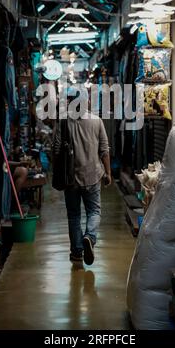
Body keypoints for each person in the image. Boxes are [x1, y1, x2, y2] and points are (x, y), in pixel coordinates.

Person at [53, 89, 111, 266]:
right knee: (94, 211)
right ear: (86, 102)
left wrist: (58, 174)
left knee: (74, 216)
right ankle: (90, 236)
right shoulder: (96, 121)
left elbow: (55, 150)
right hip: (93, 176)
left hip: (71, 179)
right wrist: (108, 173)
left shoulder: (63, 122)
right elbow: (104, 149)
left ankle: (77, 253)